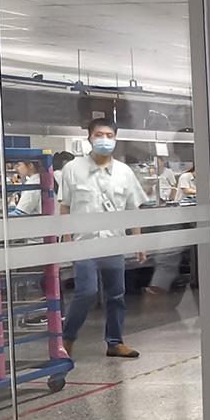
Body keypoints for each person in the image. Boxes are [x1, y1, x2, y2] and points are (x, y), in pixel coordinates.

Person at [59, 119, 148, 360]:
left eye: (109, 135)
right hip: (84, 243)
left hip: (114, 242)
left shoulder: (124, 172)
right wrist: (66, 240)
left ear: (115, 139)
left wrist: (138, 242)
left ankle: (115, 342)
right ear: (89, 138)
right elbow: (65, 206)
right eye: (99, 135)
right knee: (86, 291)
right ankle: (66, 340)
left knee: (116, 295)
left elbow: (133, 208)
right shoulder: (72, 169)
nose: (104, 139)